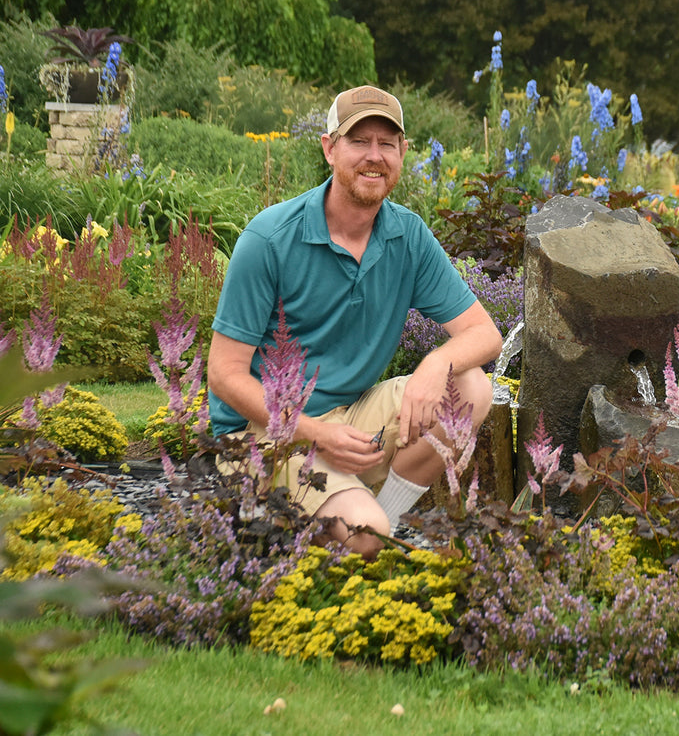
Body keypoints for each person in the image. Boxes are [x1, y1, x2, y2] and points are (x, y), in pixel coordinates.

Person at [207, 85, 502, 557]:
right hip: (264, 435)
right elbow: (223, 375)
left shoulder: (407, 236)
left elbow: (486, 335)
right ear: (328, 147)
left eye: (387, 143)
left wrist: (433, 367)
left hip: (351, 420)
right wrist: (314, 432)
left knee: (470, 388)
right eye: (358, 140)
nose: (374, 156)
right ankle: (337, 523)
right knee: (364, 532)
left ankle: (383, 520)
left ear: (403, 153)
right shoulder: (269, 239)